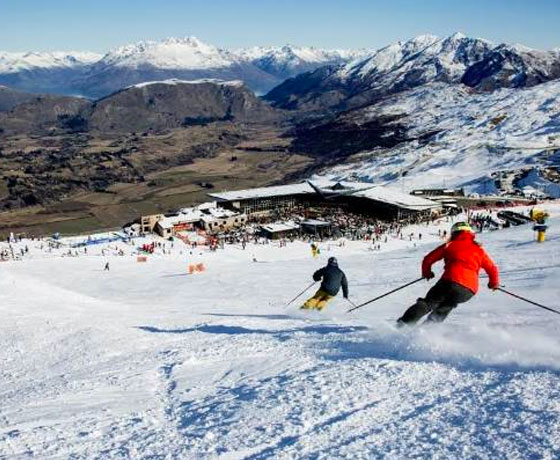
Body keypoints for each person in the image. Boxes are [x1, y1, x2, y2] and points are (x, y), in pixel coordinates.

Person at [397, 222, 499, 326]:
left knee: (428, 303)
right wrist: (493, 283)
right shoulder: (479, 250)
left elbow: (428, 259)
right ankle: (425, 330)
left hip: (451, 281)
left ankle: (403, 324)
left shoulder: (449, 245)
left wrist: (427, 273)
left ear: (454, 233)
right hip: (468, 291)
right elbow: (492, 268)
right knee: (447, 305)